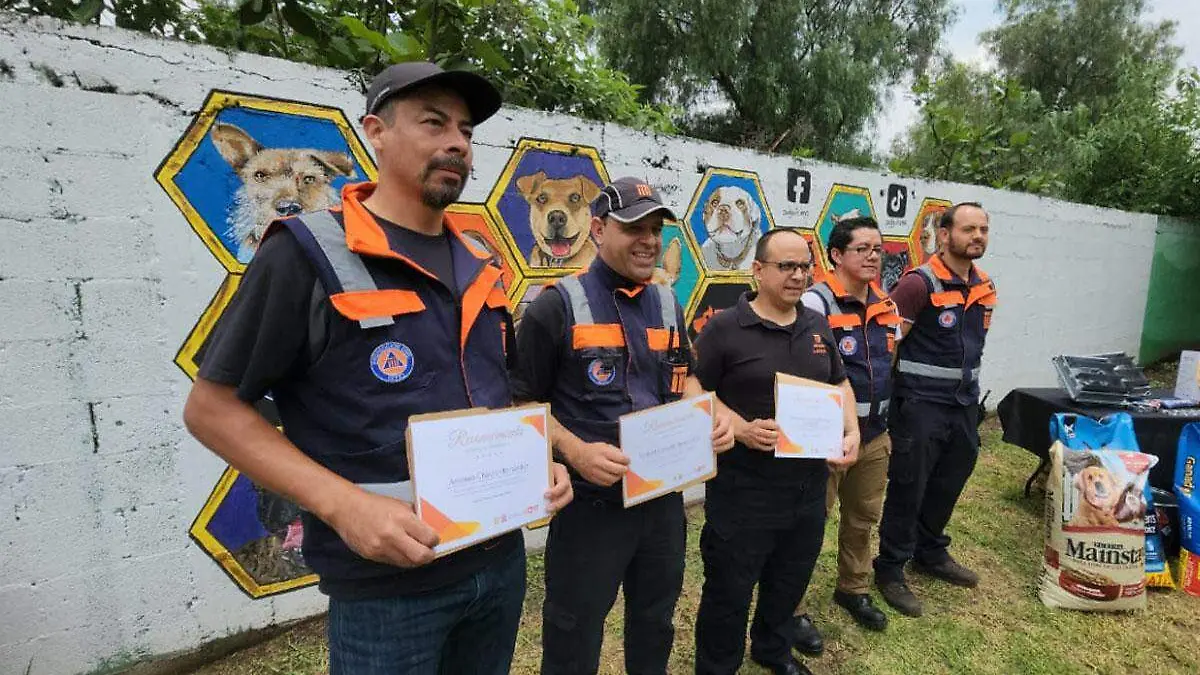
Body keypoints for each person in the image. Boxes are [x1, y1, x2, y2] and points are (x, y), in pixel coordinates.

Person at [182, 61, 573, 674]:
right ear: (376, 132)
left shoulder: (481, 262)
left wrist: (540, 461)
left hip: (498, 562)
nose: (457, 143)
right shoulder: (307, 253)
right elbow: (210, 409)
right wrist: (344, 507)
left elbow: (500, 393)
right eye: (434, 123)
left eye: (467, 131)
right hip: (386, 589)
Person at [511, 177, 735, 675]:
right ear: (596, 229)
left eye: (655, 229)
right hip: (593, 510)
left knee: (655, 620)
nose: (649, 240)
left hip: (661, 501)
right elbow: (522, 403)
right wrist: (574, 451)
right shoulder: (555, 305)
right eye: (634, 227)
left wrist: (709, 413)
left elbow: (686, 377)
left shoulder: (666, 301)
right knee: (574, 628)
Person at [692, 227, 860, 675]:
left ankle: (771, 650)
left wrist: (852, 432)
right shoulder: (725, 327)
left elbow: (838, 382)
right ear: (759, 270)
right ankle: (717, 668)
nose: (798, 276)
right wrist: (739, 427)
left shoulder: (815, 323)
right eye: (787, 266)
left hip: (806, 489)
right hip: (743, 491)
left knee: (788, 582)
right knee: (729, 592)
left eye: (805, 266)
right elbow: (693, 388)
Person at [872, 202, 997, 617]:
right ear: (944, 235)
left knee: (949, 481)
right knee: (909, 486)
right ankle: (890, 568)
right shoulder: (917, 284)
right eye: (968, 229)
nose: (977, 236)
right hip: (921, 406)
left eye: (982, 229)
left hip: (963, 406)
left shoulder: (984, 286)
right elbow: (888, 344)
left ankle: (930, 551)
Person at [794, 217, 900, 642]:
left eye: (878, 249)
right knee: (808, 523)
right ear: (836, 255)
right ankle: (793, 606)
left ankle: (852, 589)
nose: (874, 256)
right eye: (863, 249)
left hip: (875, 434)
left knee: (863, 518)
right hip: (825, 438)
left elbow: (890, 364)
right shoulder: (815, 305)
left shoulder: (887, 306)